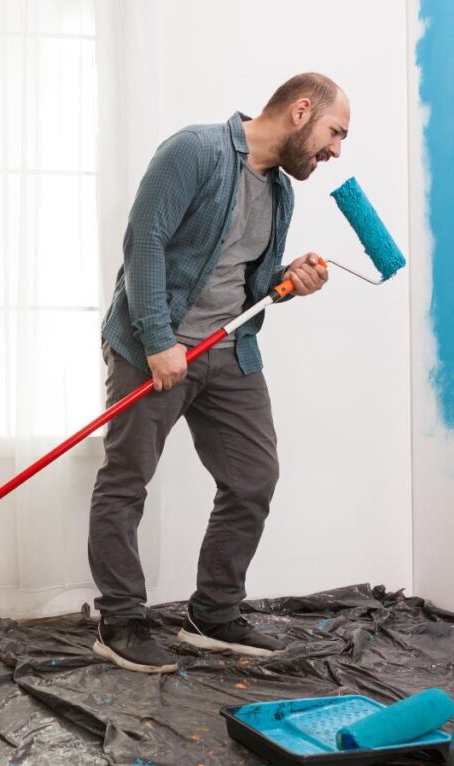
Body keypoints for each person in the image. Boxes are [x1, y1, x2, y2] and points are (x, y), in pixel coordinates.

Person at [90, 73, 347, 673]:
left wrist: (289, 280)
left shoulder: (281, 192)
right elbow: (143, 242)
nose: (335, 149)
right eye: (334, 132)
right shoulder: (195, 150)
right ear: (301, 110)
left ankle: (212, 613)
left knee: (254, 478)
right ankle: (120, 621)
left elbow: (250, 283)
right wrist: (158, 341)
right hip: (151, 345)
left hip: (227, 350)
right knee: (126, 482)